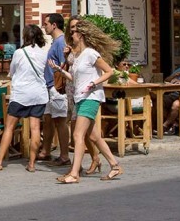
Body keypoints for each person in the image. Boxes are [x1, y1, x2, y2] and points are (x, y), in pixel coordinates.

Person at [56, 19, 124, 184]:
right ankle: (115, 166)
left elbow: (109, 71)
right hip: (80, 98)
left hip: (91, 98)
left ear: (81, 34)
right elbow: (76, 78)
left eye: (73, 32)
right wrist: (61, 71)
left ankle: (74, 173)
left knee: (78, 134)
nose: (71, 35)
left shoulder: (91, 53)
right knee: (93, 137)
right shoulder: (77, 56)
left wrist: (95, 82)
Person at [0, 25, 48, 173]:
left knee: (9, 127)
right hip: (39, 94)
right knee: (35, 128)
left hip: (21, 94)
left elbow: (12, 71)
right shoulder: (44, 53)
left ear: (25, 36)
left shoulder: (19, 53)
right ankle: (32, 164)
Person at [51, 16, 100, 177]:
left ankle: (90, 161)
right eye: (71, 28)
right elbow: (71, 68)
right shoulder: (69, 46)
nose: (73, 30)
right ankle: (85, 163)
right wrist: (65, 58)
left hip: (83, 91)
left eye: (76, 27)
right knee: (79, 132)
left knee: (82, 133)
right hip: (73, 90)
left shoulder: (86, 49)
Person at [39, 13, 70, 166]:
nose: (44, 26)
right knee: (48, 120)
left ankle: (64, 155)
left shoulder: (60, 42)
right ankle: (45, 151)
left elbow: (64, 65)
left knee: (60, 121)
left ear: (54, 25)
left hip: (56, 88)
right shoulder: (55, 42)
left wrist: (59, 85)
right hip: (50, 86)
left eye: (46, 24)